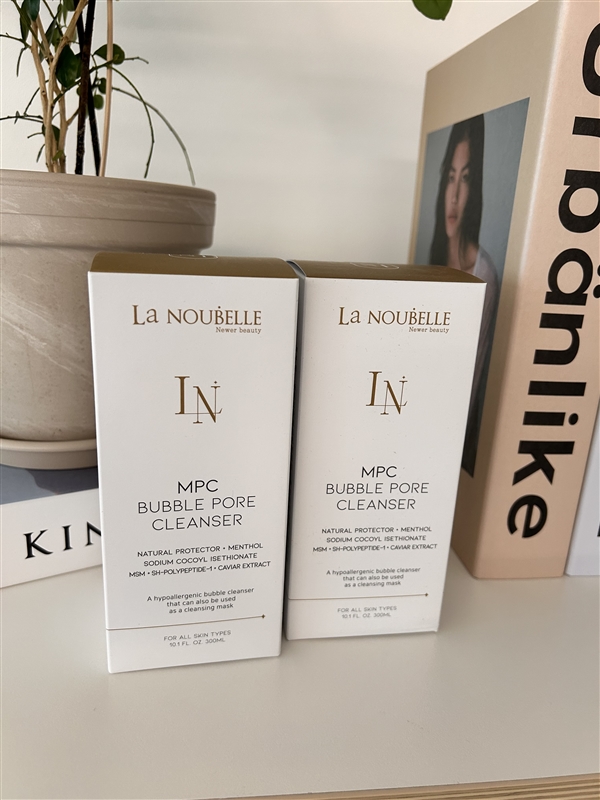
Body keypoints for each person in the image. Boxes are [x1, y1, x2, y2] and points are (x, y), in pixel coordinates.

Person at [430, 115, 499, 476]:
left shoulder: (483, 274)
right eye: (451, 177)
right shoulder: (431, 256)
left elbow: (468, 395)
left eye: (467, 178)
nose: (454, 195)